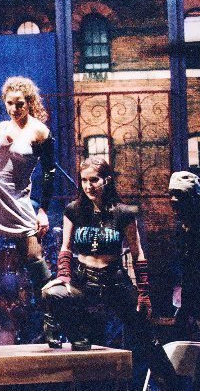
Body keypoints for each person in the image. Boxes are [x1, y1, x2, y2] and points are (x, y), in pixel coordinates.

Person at [42, 156, 178, 388]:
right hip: (84, 281)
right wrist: (63, 276)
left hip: (115, 280)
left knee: (146, 336)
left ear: (107, 180)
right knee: (54, 296)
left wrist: (143, 293)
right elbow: (66, 247)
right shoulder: (73, 210)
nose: (88, 186)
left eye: (94, 180)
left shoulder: (123, 212)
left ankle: (173, 384)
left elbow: (138, 252)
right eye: (84, 180)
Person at [0, 76, 56, 347]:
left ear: (29, 102)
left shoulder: (40, 132)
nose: (14, 109)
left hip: (18, 200)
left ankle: (52, 321)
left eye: (19, 104)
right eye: (9, 103)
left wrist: (43, 210)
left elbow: (50, 173)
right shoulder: (2, 126)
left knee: (35, 259)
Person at [168, 171, 200, 340]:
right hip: (189, 290)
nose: (173, 200)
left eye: (180, 195)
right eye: (171, 194)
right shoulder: (182, 226)